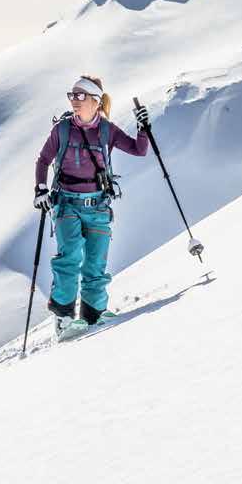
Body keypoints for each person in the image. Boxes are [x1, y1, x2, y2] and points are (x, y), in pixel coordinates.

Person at [34, 75, 149, 337]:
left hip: (98, 206)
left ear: (95, 101)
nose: (74, 101)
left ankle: (93, 315)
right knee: (69, 257)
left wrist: (143, 128)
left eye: (80, 96)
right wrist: (40, 189)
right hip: (66, 204)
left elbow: (138, 150)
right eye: (72, 96)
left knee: (96, 262)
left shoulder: (107, 131)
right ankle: (63, 319)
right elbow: (43, 160)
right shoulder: (62, 130)